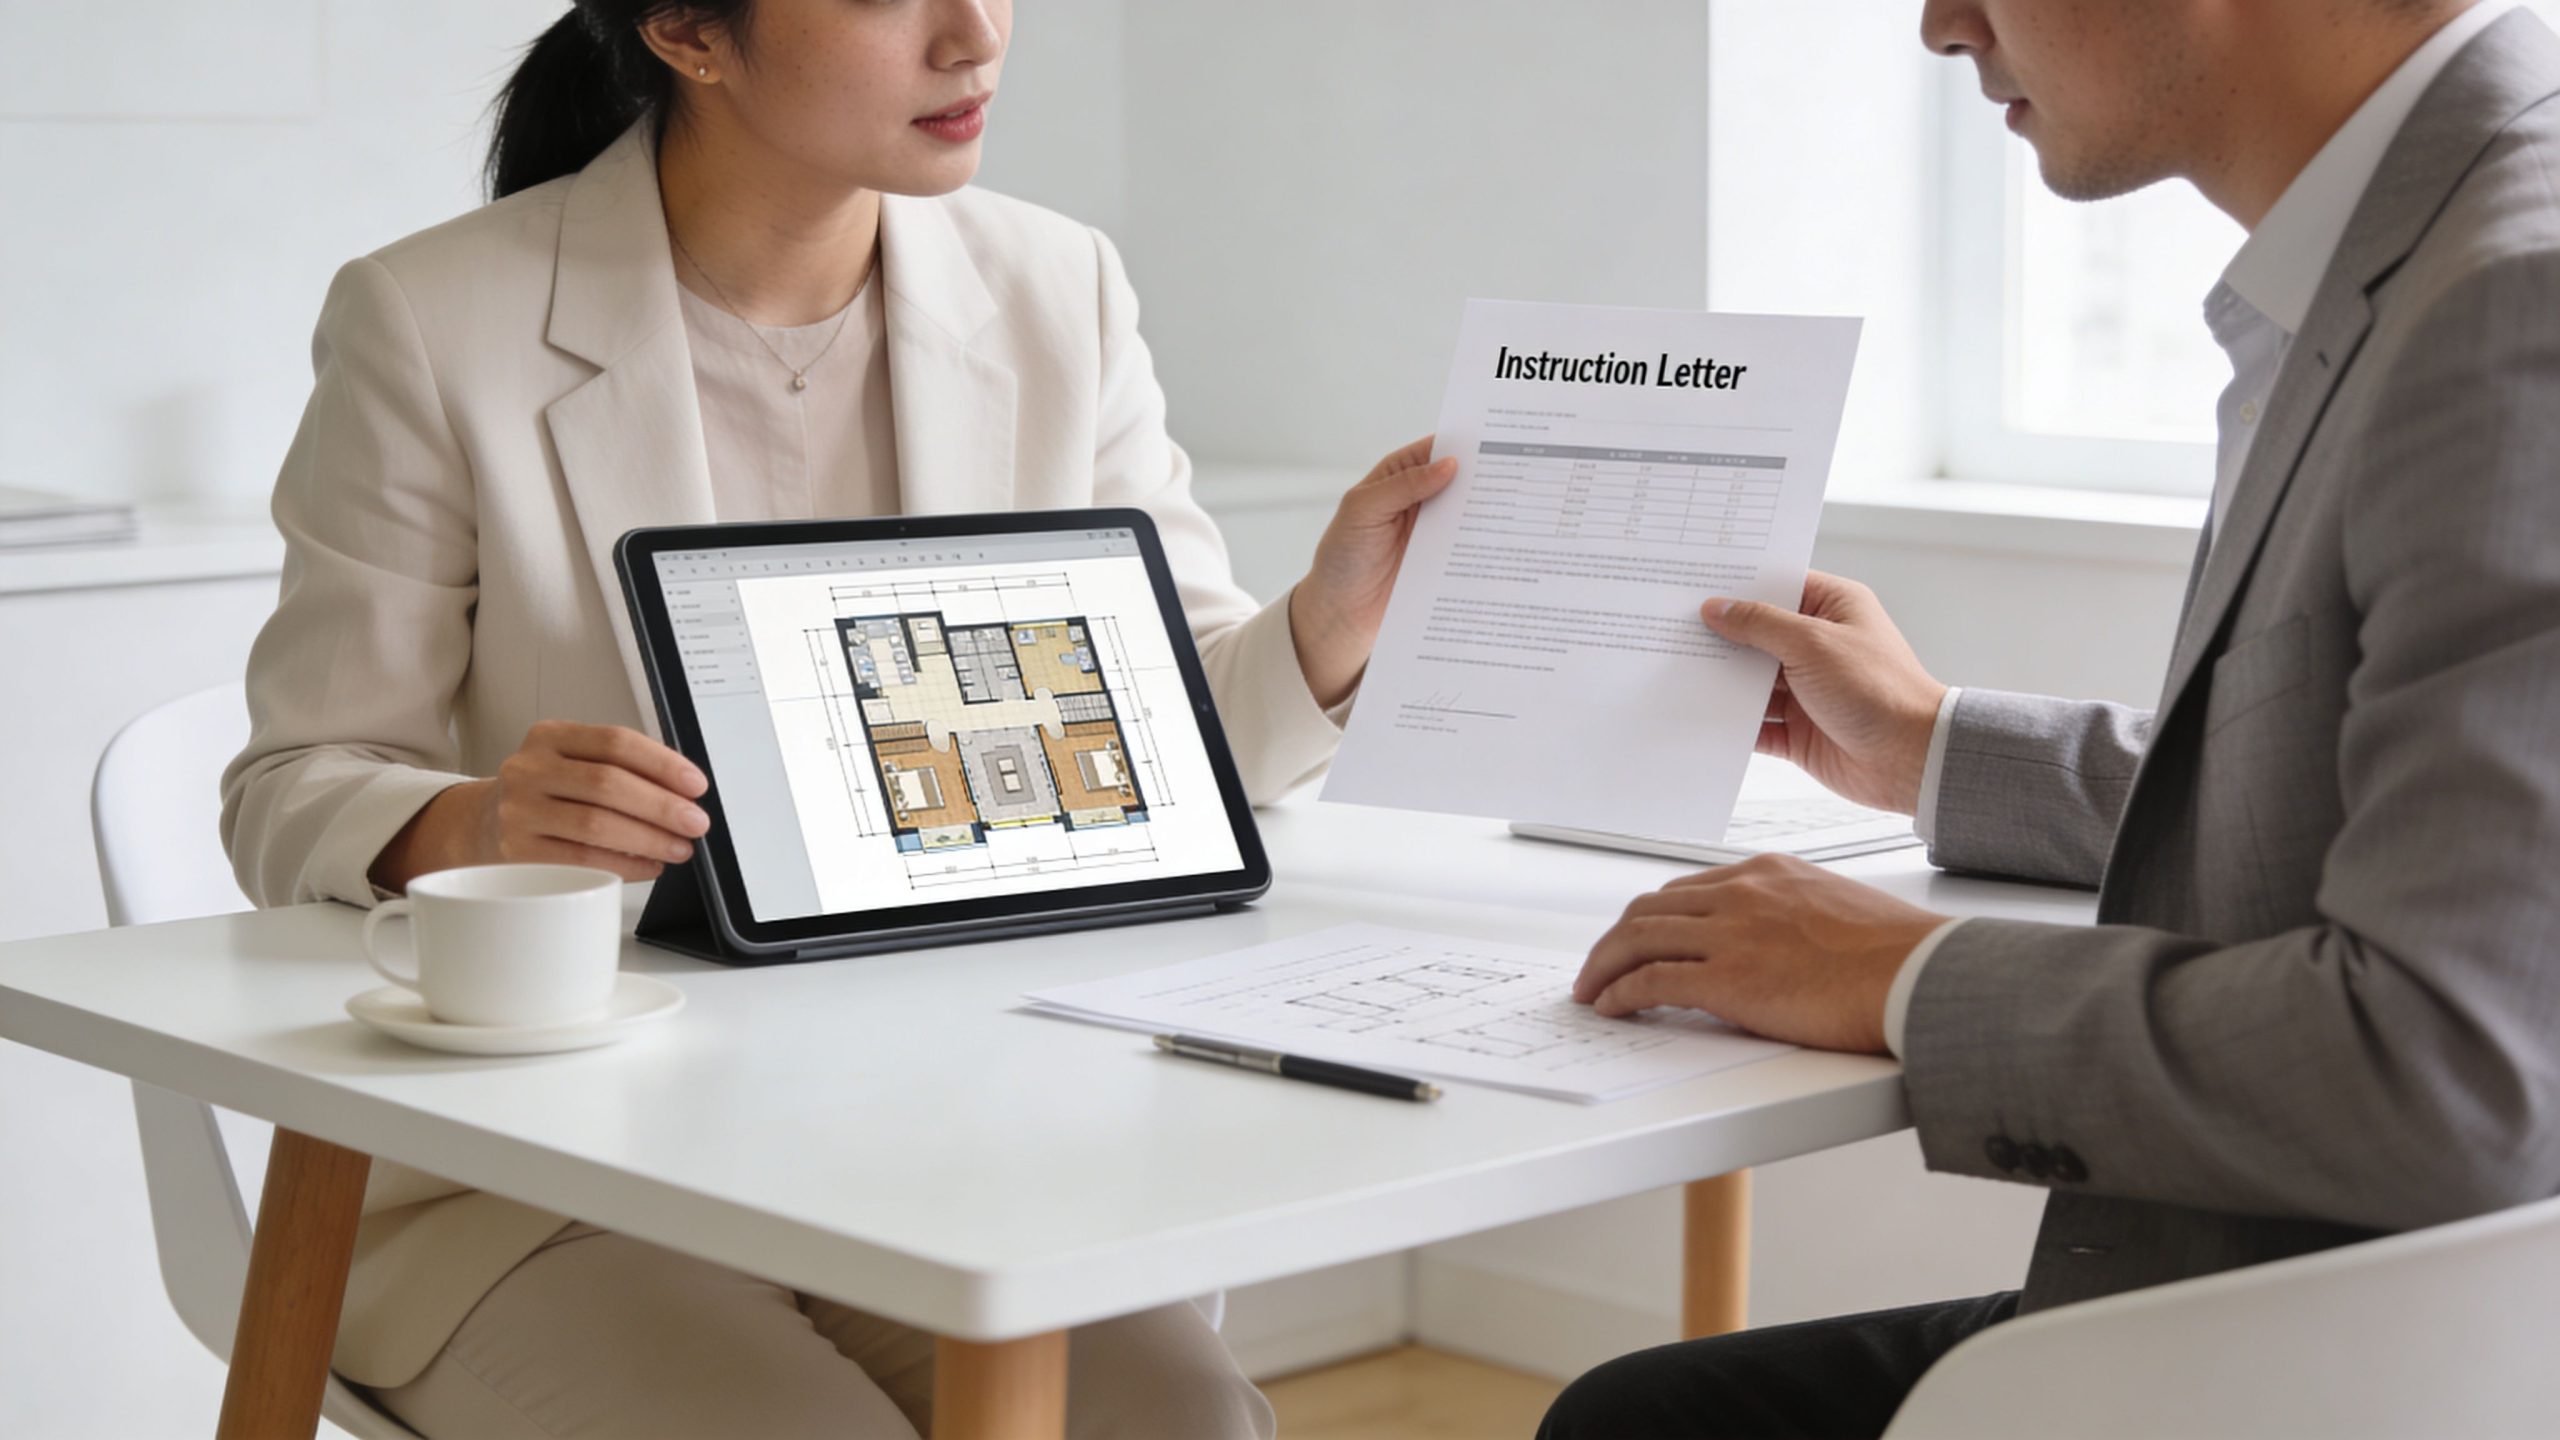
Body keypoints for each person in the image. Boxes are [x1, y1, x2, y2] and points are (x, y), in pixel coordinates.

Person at [218, 2, 1450, 1436]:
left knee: (1195, 1429)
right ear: (688, 30)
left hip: (950, 1147)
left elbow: (1165, 753)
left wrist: (1328, 628)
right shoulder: (434, 318)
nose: (975, 34)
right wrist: (479, 823)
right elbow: (294, 780)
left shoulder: (1063, 287)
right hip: (550, 1179)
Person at [1540, 0, 2560, 1435]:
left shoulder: (2513, 302)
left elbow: (2454, 1071)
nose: (1939, 27)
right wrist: (1936, 744)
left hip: (2395, 1355)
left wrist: (1902, 975)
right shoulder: (2428, 244)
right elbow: (2375, 800)